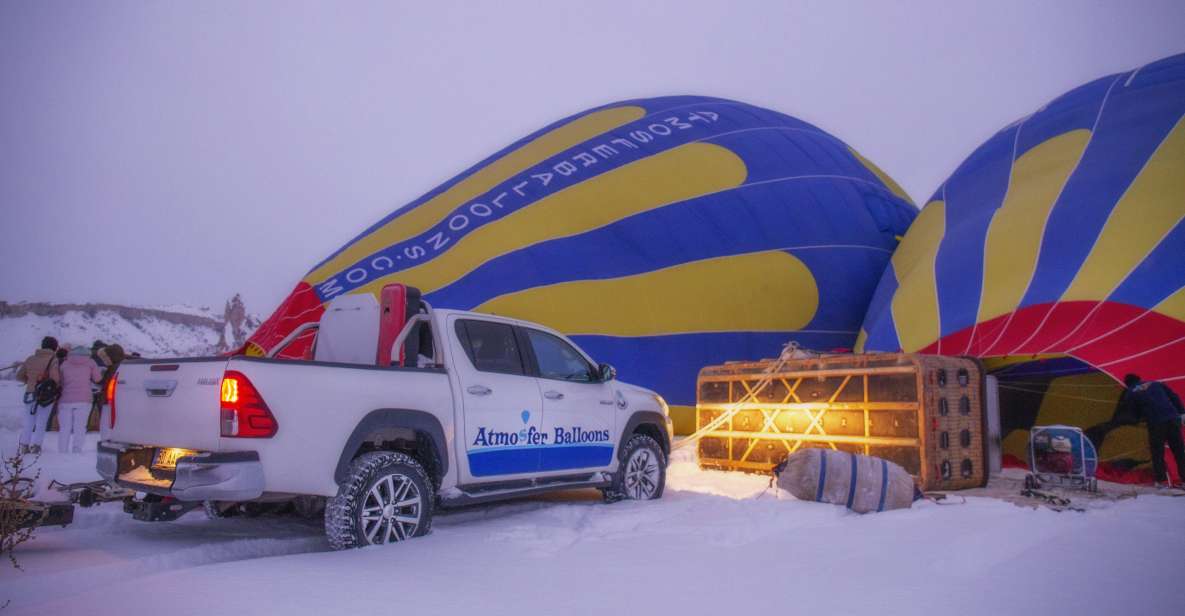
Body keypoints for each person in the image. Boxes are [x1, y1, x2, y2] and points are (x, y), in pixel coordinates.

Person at [1120, 374, 1185, 487]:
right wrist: (1182, 412)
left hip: (1156, 423)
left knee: (1157, 453)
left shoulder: (1130, 392)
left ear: (1127, 384)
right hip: (1173, 420)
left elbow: (1132, 413)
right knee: (1179, 452)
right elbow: (1174, 396)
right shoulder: (1156, 383)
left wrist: (1138, 421)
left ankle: (1162, 481)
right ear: (1139, 378)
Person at [15, 336, 62, 455]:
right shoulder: (53, 360)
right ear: (55, 347)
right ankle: (36, 446)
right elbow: (55, 378)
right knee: (41, 421)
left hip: (30, 393)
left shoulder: (30, 359)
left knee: (28, 421)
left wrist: (30, 380)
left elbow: (19, 376)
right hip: (45, 396)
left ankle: (24, 446)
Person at [57, 344, 102, 453]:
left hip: (65, 399)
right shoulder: (91, 362)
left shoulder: (65, 363)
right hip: (84, 399)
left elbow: (60, 381)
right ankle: (77, 449)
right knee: (80, 427)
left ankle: (62, 451)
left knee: (64, 428)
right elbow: (98, 379)